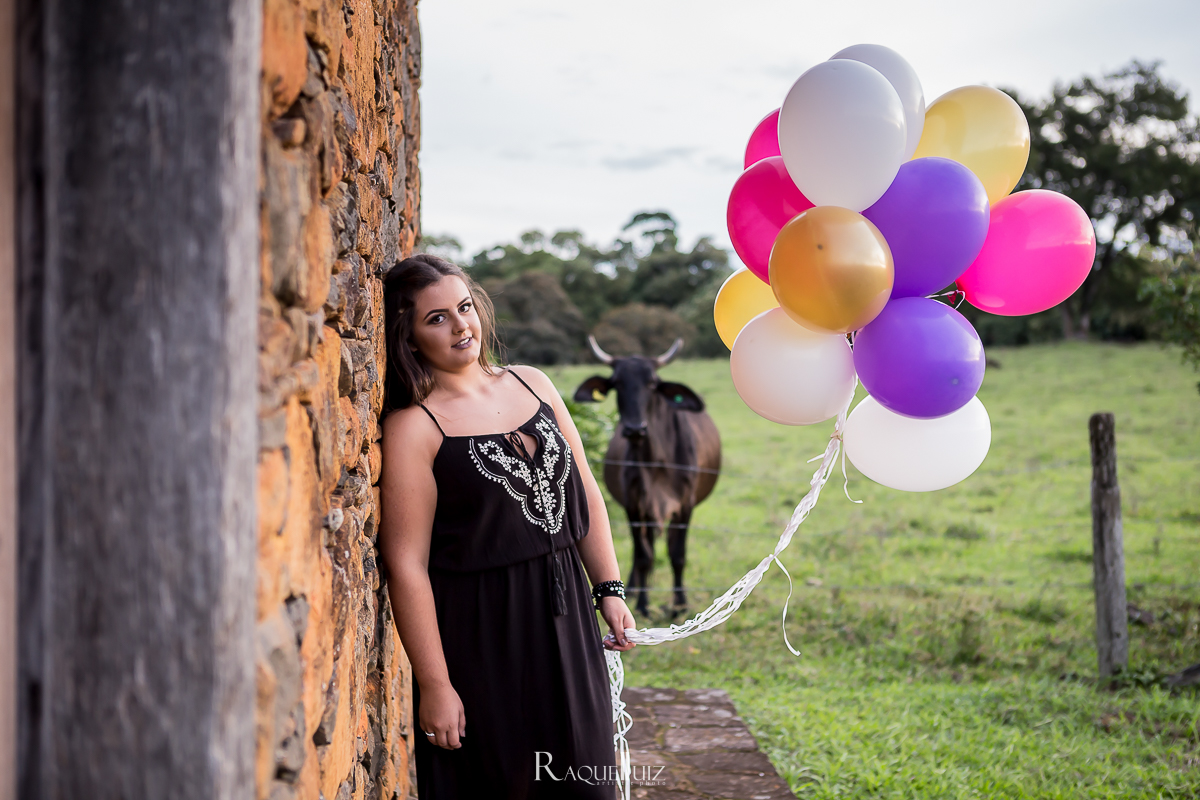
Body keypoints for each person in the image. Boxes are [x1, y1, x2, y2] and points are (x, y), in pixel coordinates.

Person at [377, 253, 637, 798]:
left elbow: (585, 491)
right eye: (436, 318)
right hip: (483, 636)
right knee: (505, 785)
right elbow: (406, 564)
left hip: (569, 619)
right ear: (409, 338)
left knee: (588, 781)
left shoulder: (532, 383)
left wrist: (609, 588)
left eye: (464, 308)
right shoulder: (414, 428)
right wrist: (436, 684)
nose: (460, 326)